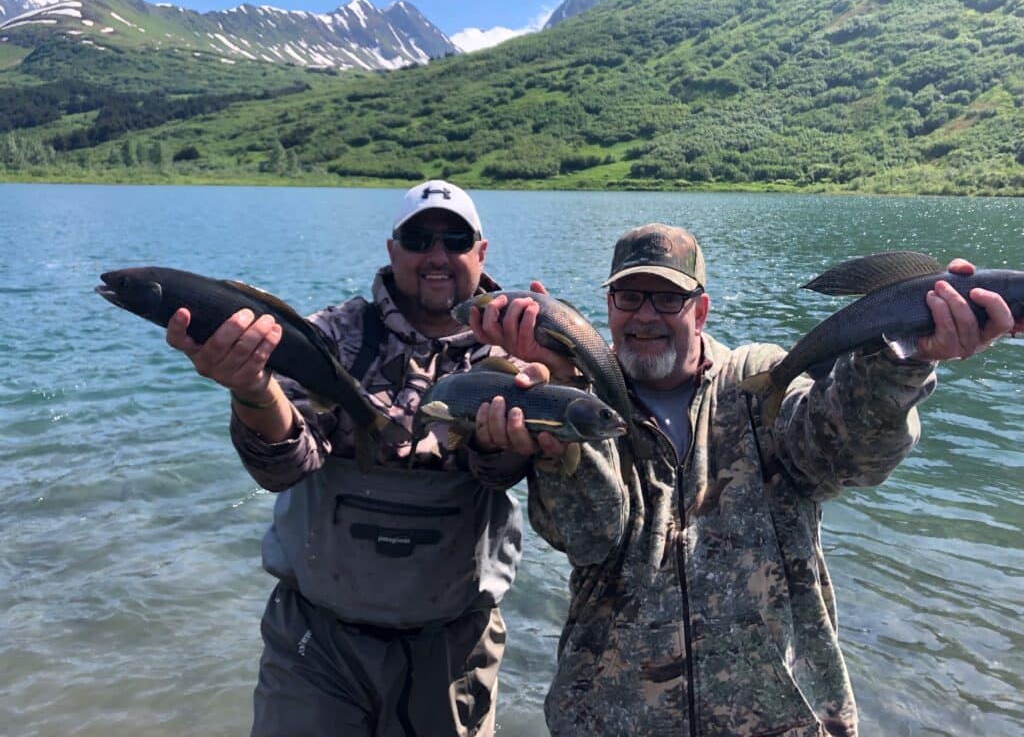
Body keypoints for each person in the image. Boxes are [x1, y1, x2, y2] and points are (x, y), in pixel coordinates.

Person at [469, 223, 1024, 736]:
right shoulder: (581, 406)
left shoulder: (757, 379)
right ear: (608, 306)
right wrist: (558, 408)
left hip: (783, 721)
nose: (645, 316)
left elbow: (844, 456)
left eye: (668, 298)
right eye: (629, 297)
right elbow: (590, 536)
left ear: (702, 310)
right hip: (610, 720)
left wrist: (903, 362)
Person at [166, 180, 538, 737]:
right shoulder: (328, 336)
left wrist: (505, 437)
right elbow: (284, 467)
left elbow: (502, 475)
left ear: (481, 251)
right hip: (317, 647)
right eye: (418, 238)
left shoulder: (513, 356)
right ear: (392, 249)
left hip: (453, 649)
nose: (436, 255)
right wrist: (250, 391)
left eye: (454, 239)